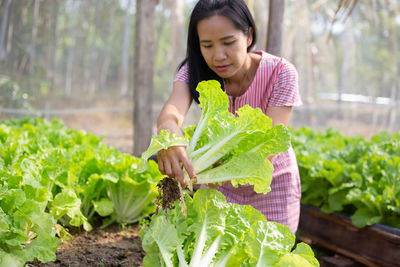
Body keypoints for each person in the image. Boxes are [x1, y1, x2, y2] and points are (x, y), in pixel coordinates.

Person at [156, 0, 302, 233]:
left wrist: (214, 169)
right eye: (207, 46)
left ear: (248, 36)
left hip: (272, 184)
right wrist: (168, 136)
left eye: (228, 42)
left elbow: (267, 149)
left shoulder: (281, 73)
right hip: (217, 185)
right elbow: (171, 113)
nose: (218, 56)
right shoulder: (193, 71)